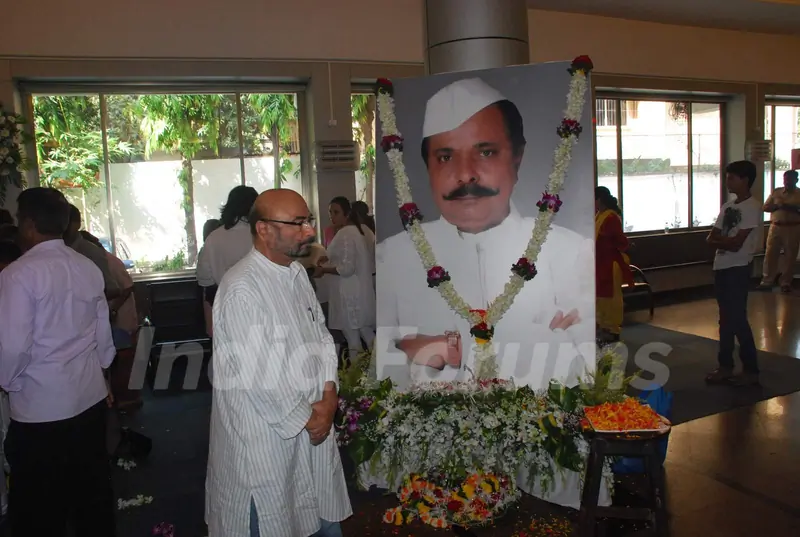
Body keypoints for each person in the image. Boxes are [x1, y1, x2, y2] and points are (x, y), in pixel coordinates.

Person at [376, 77, 594, 389]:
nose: (465, 173)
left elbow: (587, 375)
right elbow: (385, 371)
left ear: (517, 157)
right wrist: (545, 339)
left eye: (486, 152)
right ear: (428, 168)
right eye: (445, 157)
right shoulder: (392, 258)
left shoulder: (570, 253)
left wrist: (435, 348)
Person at [205, 189, 352, 537]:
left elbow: (322, 338)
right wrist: (312, 418)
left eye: (308, 221)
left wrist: (329, 394)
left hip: (313, 419)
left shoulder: (297, 274)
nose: (309, 231)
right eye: (297, 223)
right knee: (274, 515)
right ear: (264, 230)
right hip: (265, 438)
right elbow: (261, 378)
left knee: (317, 513)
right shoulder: (241, 288)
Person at [0, 187, 116, 537]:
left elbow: (11, 349)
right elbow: (104, 342)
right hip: (88, 399)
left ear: (30, 224)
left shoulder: (18, 274)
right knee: (92, 499)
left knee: (39, 510)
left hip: (40, 409)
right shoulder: (86, 266)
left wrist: (11, 384)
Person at [705, 160, 761, 386]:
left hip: (738, 268)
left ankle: (751, 368)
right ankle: (725, 365)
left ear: (745, 179)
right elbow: (710, 237)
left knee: (737, 318)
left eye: (732, 177)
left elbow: (737, 244)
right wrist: (724, 241)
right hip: (721, 266)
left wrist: (723, 241)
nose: (728, 181)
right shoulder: (728, 207)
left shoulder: (753, 207)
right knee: (726, 319)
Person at [315, 199, 377, 359]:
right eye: (330, 212)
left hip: (347, 294)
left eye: (336, 212)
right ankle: (381, 371)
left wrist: (324, 270)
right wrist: (326, 259)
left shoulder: (346, 233)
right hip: (356, 290)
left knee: (353, 339)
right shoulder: (357, 231)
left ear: (347, 214)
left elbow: (347, 268)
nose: (332, 216)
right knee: (366, 334)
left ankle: (356, 378)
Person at [197, 186, 259, 309]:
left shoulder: (213, 238)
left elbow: (204, 279)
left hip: (224, 303)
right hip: (259, 302)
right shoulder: (261, 236)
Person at [595, 187, 634, 342]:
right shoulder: (600, 215)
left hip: (610, 264)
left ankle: (612, 330)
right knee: (601, 297)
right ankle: (603, 327)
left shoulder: (610, 217)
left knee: (610, 298)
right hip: (600, 262)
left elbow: (620, 241)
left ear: (599, 200)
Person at [64, 204, 120, 298]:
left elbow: (111, 289)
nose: (64, 227)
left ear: (77, 224)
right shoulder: (55, 252)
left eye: (68, 222)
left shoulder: (90, 252)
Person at [760, 169, 800, 293]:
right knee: (770, 254)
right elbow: (765, 207)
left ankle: (785, 282)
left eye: (790, 179)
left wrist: (789, 207)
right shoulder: (776, 192)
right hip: (775, 227)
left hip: (792, 227)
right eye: (785, 179)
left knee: (790, 256)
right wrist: (776, 206)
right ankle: (767, 281)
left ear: (796, 180)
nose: (787, 182)